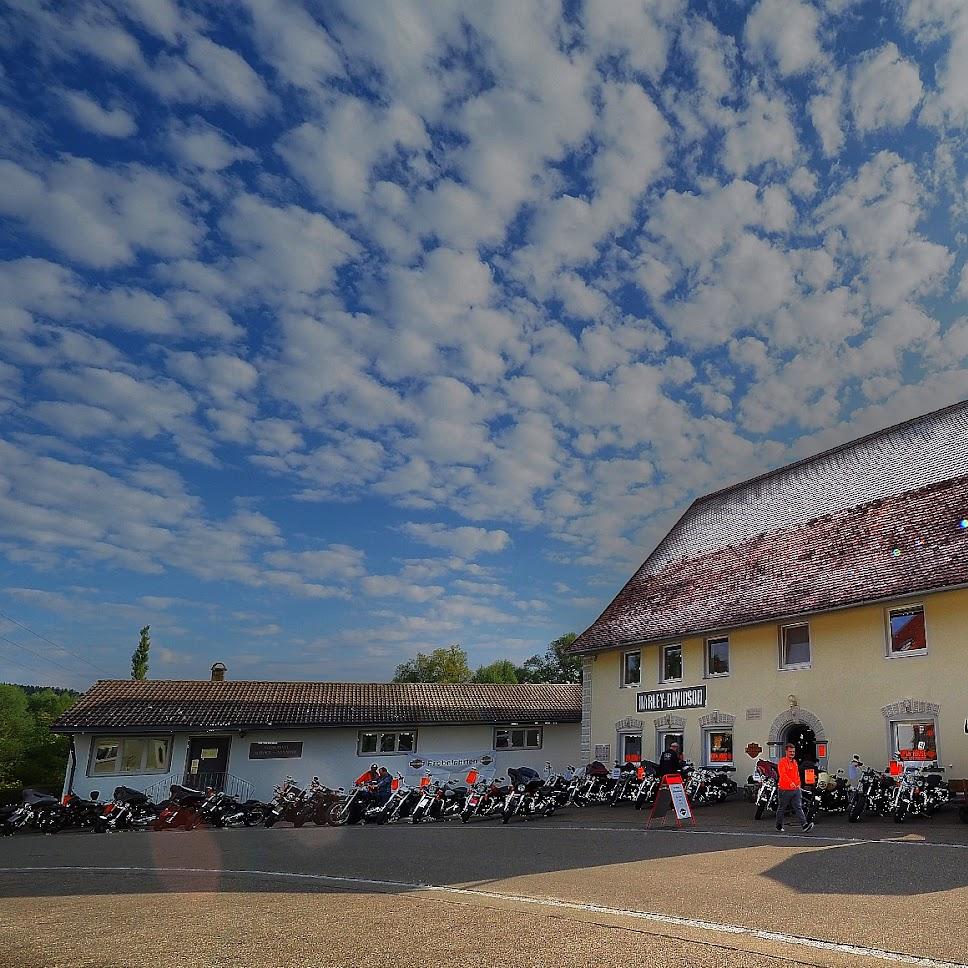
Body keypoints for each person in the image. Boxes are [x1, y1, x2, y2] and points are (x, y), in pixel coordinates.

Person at [777, 743, 814, 833]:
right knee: (782, 808)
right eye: (790, 752)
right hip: (784, 789)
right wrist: (791, 783)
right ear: (786, 752)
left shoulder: (795, 762)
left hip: (796, 790)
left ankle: (804, 825)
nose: (792, 753)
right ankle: (779, 825)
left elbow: (797, 774)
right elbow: (783, 774)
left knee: (798, 807)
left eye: (793, 751)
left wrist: (798, 784)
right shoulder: (782, 762)